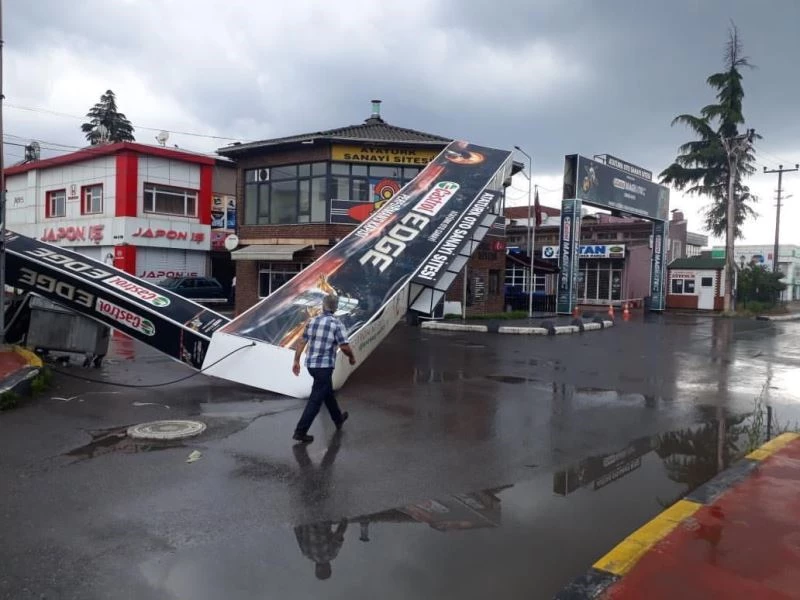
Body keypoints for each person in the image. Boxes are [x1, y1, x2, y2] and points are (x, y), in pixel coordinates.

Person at [291, 293, 356, 443]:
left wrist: (296, 361)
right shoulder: (336, 324)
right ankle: (300, 431)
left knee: (327, 392)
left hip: (311, 366)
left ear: (323, 305)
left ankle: (338, 419)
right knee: (316, 400)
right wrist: (351, 357)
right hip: (324, 367)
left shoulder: (312, 321)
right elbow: (344, 347)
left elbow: (302, 342)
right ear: (336, 308)